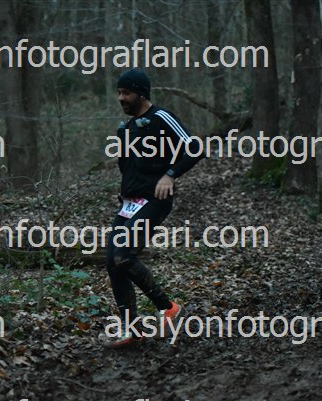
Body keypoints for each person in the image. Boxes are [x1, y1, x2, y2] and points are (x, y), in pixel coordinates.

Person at [104, 68, 202, 348]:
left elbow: (195, 148)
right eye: (119, 93)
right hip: (129, 204)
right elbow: (128, 167)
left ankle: (168, 308)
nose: (121, 98)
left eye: (126, 93)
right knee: (113, 262)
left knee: (123, 255)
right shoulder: (127, 128)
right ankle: (132, 329)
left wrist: (170, 174)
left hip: (155, 200)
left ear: (141, 93)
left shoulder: (162, 118)